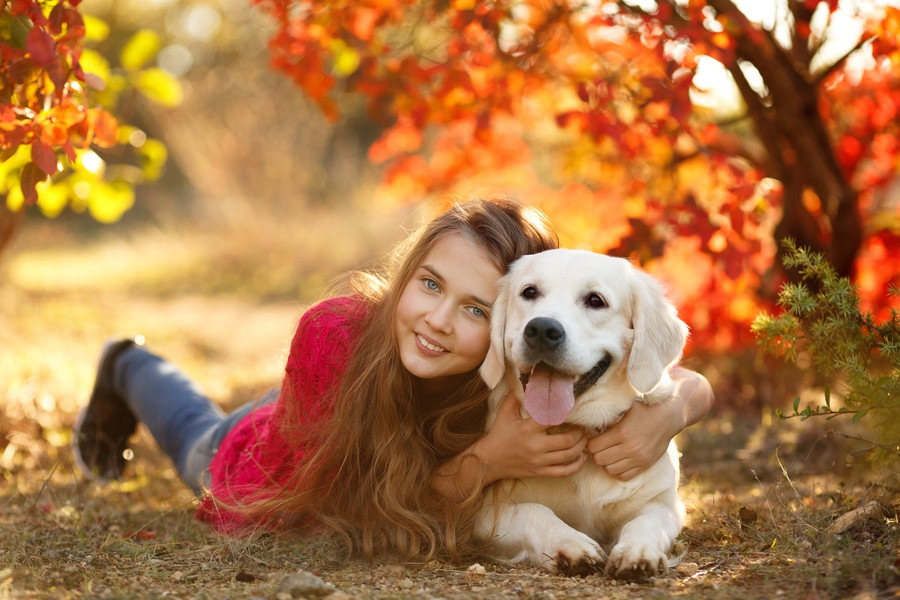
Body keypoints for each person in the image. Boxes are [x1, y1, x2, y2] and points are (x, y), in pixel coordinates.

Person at [73, 197, 713, 561]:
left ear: (504, 323)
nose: (438, 320)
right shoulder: (335, 332)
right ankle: (125, 362)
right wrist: (488, 460)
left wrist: (675, 408)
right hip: (274, 459)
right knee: (195, 430)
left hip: (341, 410)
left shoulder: (504, 368)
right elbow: (361, 512)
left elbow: (654, 363)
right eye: (430, 284)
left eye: (474, 308)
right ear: (406, 273)